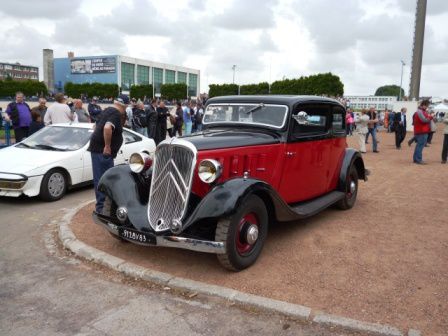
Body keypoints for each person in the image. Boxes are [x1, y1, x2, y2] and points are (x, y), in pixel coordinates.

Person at [88, 95, 129, 213]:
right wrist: (107, 146)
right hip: (103, 151)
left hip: (97, 148)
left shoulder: (106, 110)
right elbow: (107, 128)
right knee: (105, 179)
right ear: (124, 106)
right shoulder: (116, 113)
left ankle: (102, 206)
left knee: (100, 178)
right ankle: (102, 209)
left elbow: (95, 126)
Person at [412, 99, 433, 165]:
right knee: (420, 146)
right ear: (423, 105)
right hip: (422, 131)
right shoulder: (420, 112)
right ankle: (418, 159)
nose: (427, 107)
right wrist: (430, 118)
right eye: (426, 106)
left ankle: (416, 159)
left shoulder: (420, 111)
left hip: (421, 130)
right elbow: (424, 120)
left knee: (419, 145)